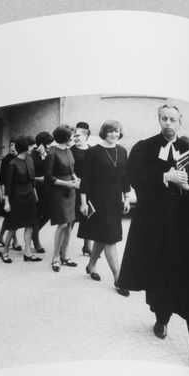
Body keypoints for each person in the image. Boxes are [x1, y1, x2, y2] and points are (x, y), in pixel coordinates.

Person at [116, 104, 189, 371]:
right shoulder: (145, 147)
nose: (168, 122)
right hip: (155, 226)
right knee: (159, 274)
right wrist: (164, 176)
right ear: (159, 119)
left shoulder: (188, 150)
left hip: (183, 227)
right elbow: (132, 176)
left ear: (180, 121)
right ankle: (161, 318)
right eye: (164, 118)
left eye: (173, 119)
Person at [77, 120, 130, 294]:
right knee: (110, 239)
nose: (114, 134)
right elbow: (85, 179)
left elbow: (125, 178)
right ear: (104, 132)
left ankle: (91, 265)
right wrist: (83, 202)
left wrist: (126, 198)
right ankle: (119, 279)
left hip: (115, 201)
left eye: (117, 131)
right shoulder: (93, 152)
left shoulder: (122, 151)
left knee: (102, 237)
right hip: (98, 201)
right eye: (110, 131)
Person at [43, 125, 81, 272]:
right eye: (71, 136)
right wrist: (68, 184)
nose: (73, 138)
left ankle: (65, 255)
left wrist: (76, 179)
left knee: (70, 224)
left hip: (71, 191)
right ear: (65, 138)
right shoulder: (52, 153)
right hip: (59, 192)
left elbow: (72, 170)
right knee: (63, 224)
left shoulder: (68, 150)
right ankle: (56, 257)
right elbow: (49, 177)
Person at [0, 135, 41, 263]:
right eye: (30, 146)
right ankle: (5, 252)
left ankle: (27, 252)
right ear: (25, 148)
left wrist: (35, 194)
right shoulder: (12, 164)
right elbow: (8, 185)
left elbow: (32, 180)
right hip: (16, 198)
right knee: (13, 226)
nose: (33, 148)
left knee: (30, 225)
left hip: (29, 197)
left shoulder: (30, 159)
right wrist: (7, 202)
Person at [71, 124, 93, 256]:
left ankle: (87, 246)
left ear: (86, 136)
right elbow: (69, 167)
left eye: (78, 135)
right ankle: (63, 247)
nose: (75, 138)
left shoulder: (92, 150)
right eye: (74, 136)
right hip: (75, 187)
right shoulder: (71, 151)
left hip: (89, 188)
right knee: (71, 218)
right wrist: (76, 179)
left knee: (88, 217)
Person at [29, 131, 52, 254]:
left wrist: (44, 155)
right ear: (41, 144)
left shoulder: (47, 154)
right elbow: (29, 175)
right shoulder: (32, 155)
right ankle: (36, 241)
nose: (49, 146)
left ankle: (34, 233)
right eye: (47, 144)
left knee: (47, 214)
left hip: (46, 189)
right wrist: (40, 178)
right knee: (37, 215)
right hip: (36, 189)